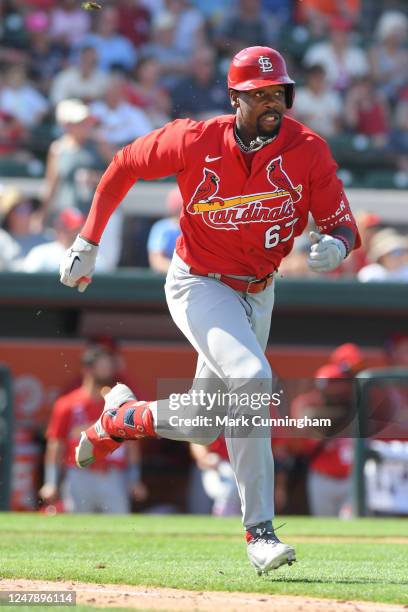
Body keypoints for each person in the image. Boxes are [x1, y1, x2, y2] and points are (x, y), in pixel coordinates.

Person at [59, 46, 360, 574]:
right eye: (260, 94)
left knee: (203, 422)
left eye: (279, 94)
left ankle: (124, 418)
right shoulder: (195, 138)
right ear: (236, 98)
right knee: (251, 377)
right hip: (199, 281)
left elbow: (342, 222)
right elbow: (123, 164)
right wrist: (89, 239)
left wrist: (337, 244)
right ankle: (259, 531)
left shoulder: (308, 149)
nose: (272, 103)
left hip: (258, 291)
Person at [39, 344, 147, 513]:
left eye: (109, 366)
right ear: (87, 369)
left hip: (113, 475)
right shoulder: (67, 404)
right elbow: (56, 444)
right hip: (79, 473)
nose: (108, 371)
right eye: (102, 366)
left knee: (119, 529)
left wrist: (134, 479)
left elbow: (131, 444)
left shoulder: (120, 403)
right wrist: (51, 481)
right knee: (78, 529)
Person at [147, 187, 182, 273]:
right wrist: (180, 272)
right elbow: (156, 261)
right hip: (164, 280)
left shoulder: (198, 229)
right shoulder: (162, 227)